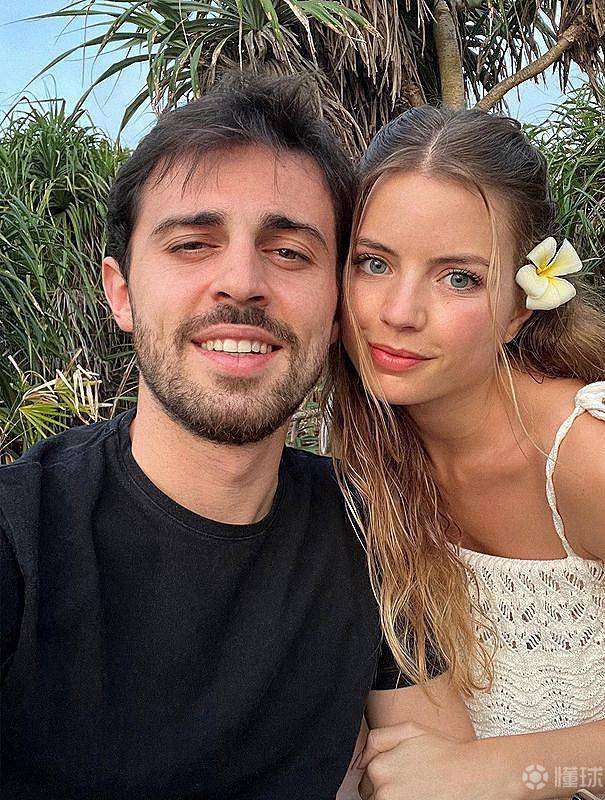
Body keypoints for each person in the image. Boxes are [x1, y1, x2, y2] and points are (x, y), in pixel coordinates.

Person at [0, 75, 473, 800]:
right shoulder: (19, 537)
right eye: (193, 243)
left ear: (338, 308)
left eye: (289, 252)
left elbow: (442, 775)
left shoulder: (374, 528)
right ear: (121, 292)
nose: (242, 281)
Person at [330, 105, 605, 799]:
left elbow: (470, 771)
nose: (399, 312)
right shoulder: (366, 450)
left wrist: (508, 769)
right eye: (374, 263)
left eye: (458, 278)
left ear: (519, 308)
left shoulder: (598, 462)